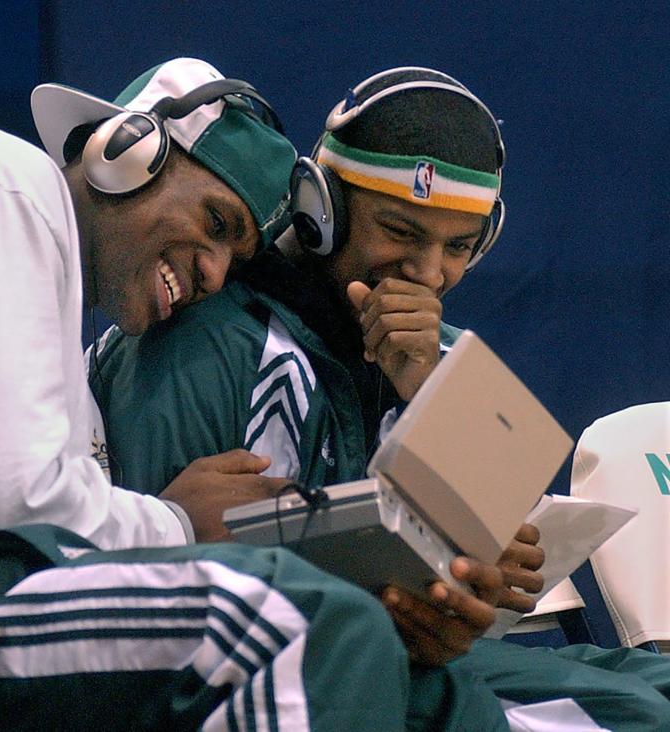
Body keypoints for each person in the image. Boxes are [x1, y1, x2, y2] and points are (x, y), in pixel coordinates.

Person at [0, 57, 511, 730]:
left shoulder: (66, 351)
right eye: (217, 222)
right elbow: (4, 508)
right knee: (302, 627)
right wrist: (176, 522)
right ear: (126, 151)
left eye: (237, 255)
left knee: (438, 694)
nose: (213, 273)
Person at [90, 67, 670, 730]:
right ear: (318, 208)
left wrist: (465, 604)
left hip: (414, 661)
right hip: (284, 678)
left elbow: (504, 587)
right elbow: (161, 621)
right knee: (635, 717)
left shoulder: (445, 353)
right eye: (399, 230)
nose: (427, 273)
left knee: (657, 685)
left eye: (457, 246)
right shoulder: (205, 340)